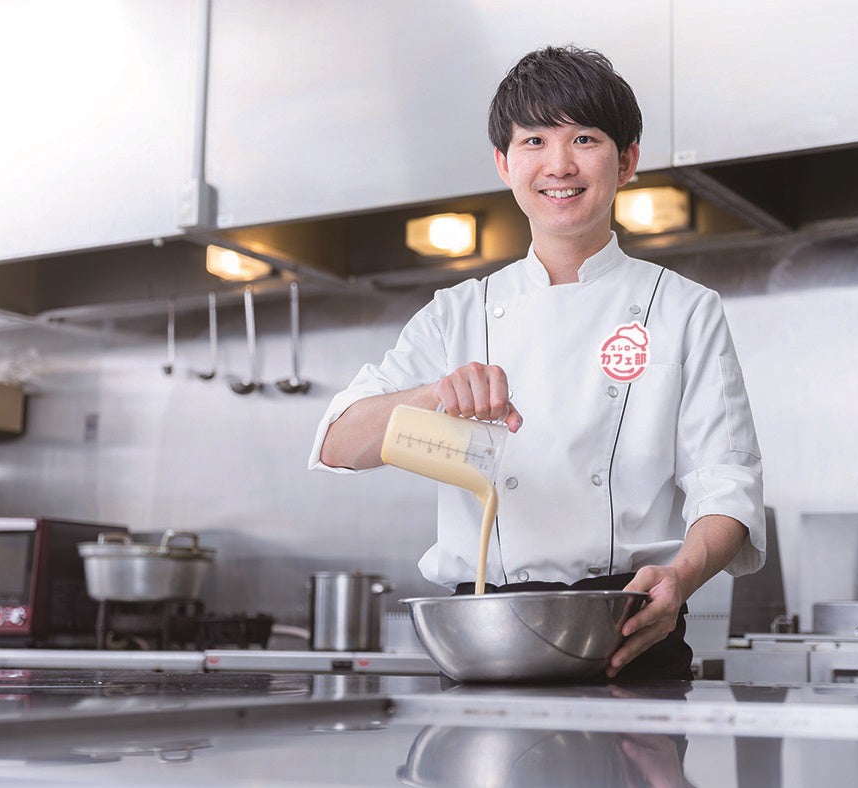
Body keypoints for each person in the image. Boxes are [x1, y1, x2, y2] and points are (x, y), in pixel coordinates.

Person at [309, 45, 765, 681]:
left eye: (584, 139)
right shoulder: (456, 314)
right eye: (533, 141)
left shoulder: (684, 309)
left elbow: (728, 482)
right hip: (484, 635)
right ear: (504, 163)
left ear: (627, 161)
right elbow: (337, 443)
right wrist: (434, 394)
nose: (559, 165)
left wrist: (683, 577)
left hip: (630, 628)